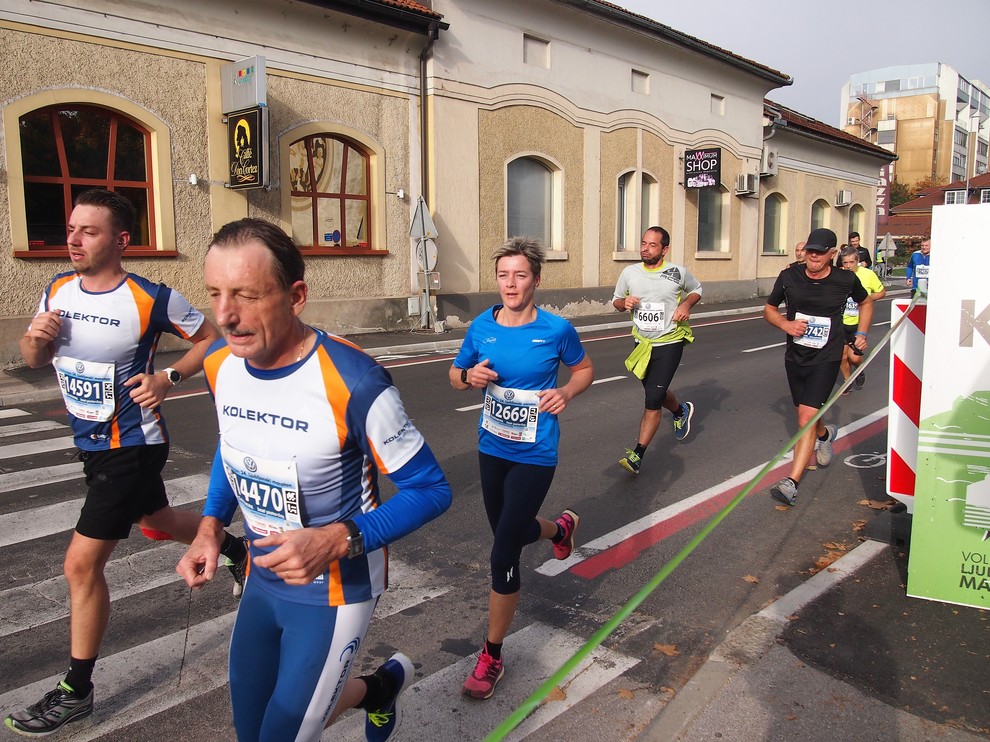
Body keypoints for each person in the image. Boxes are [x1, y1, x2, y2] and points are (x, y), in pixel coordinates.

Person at [176, 218, 451, 742]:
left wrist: (336, 538)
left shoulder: (354, 380)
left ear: (295, 295)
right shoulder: (218, 363)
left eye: (247, 295)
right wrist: (211, 526)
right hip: (264, 577)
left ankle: (371, 688)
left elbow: (432, 489)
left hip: (337, 589)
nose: (225, 315)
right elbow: (234, 447)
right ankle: (379, 690)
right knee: (251, 729)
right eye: (215, 293)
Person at [5, 189, 247, 737]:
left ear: (120, 241)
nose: (72, 239)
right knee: (157, 522)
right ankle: (235, 549)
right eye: (70, 229)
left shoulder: (149, 297)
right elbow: (32, 358)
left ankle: (76, 691)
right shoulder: (57, 289)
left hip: (131, 445)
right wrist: (35, 341)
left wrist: (169, 378)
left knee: (80, 565)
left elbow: (211, 340)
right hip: (90, 443)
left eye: (87, 232)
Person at [449, 237, 593, 700]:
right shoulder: (481, 326)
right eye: (503, 275)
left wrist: (567, 393)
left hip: (535, 452)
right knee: (507, 530)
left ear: (536, 280)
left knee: (502, 551)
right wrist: (468, 378)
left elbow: (584, 369)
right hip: (492, 447)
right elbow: (455, 374)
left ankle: (491, 654)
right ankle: (558, 530)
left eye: (520, 275)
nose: (511, 284)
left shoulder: (556, 330)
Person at [763, 228, 872, 506]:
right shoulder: (790, 276)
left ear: (832, 254)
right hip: (795, 356)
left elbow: (866, 302)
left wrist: (862, 333)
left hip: (827, 357)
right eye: (810, 250)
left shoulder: (845, 279)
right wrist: (785, 324)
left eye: (820, 252)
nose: (813, 256)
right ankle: (825, 434)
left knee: (805, 418)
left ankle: (792, 483)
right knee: (806, 413)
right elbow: (770, 309)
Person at [613, 226, 702, 474]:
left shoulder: (677, 273)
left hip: (670, 341)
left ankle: (637, 455)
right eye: (643, 243)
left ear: (664, 249)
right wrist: (624, 303)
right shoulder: (629, 273)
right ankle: (680, 410)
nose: (645, 248)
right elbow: (616, 301)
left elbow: (697, 290)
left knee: (652, 398)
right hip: (642, 344)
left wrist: (686, 304)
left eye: (652, 245)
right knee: (656, 393)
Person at [838, 246, 885, 392]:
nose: (848, 266)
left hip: (858, 323)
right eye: (845, 262)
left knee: (854, 358)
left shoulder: (867, 275)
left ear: (857, 262)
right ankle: (847, 381)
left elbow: (882, 292)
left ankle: (859, 369)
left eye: (851, 262)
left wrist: (866, 299)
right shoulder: (839, 275)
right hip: (841, 322)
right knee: (842, 357)